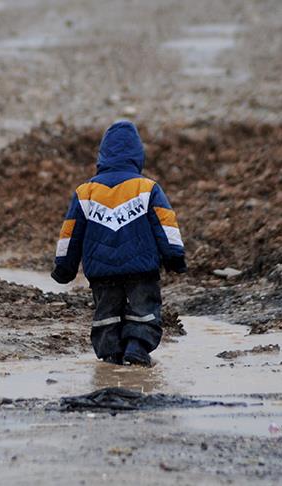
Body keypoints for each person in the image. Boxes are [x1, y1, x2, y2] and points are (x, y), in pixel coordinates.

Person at [51, 120, 187, 366]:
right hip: (141, 268)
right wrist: (174, 257)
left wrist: (64, 267)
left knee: (106, 314)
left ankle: (110, 354)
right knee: (144, 309)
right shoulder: (147, 188)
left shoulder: (86, 192)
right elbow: (166, 224)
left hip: (102, 271)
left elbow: (70, 233)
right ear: (138, 155)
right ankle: (137, 348)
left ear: (102, 155)